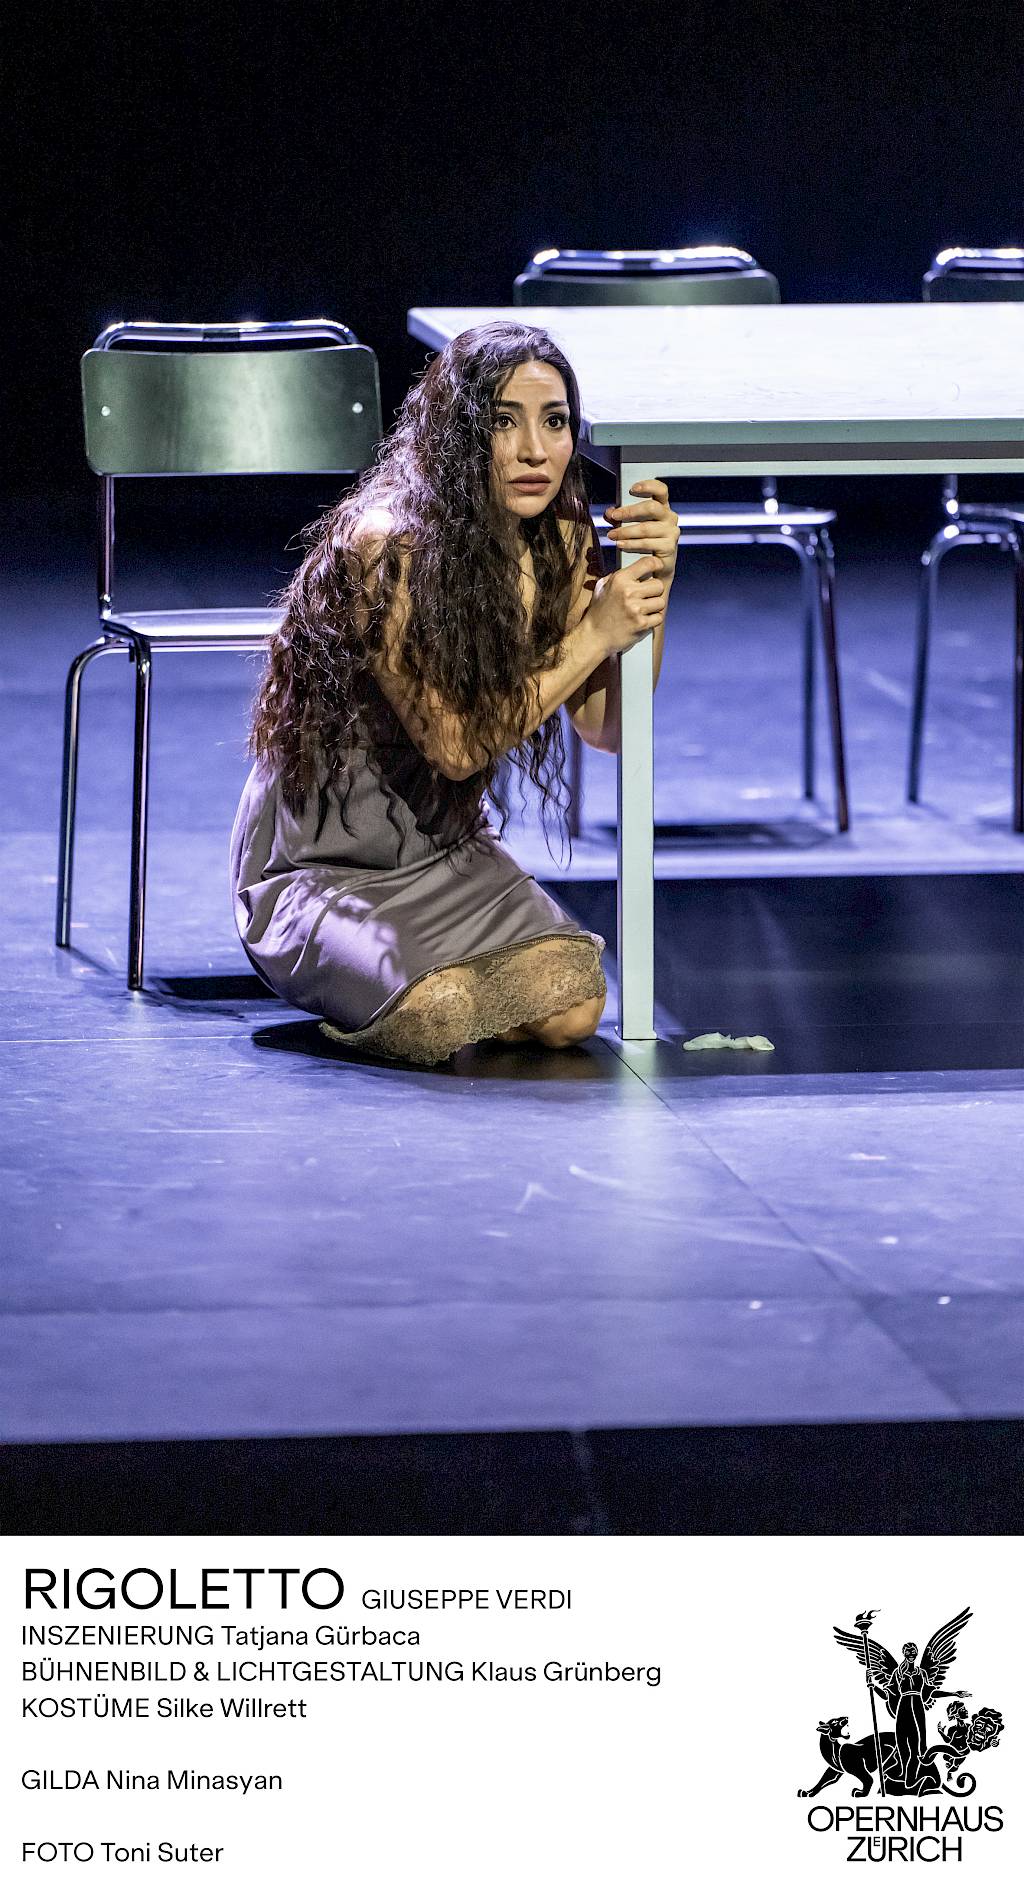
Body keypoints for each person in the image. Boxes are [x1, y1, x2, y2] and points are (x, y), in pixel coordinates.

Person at [231, 321, 678, 1064]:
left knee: (574, 1005)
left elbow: (608, 729)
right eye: (503, 422)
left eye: (555, 422)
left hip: (446, 850)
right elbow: (459, 747)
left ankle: (418, 982)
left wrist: (651, 583)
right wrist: (595, 634)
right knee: (440, 1011)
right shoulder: (386, 546)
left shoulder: (560, 540)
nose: (535, 450)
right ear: (458, 434)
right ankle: (379, 975)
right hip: (326, 865)